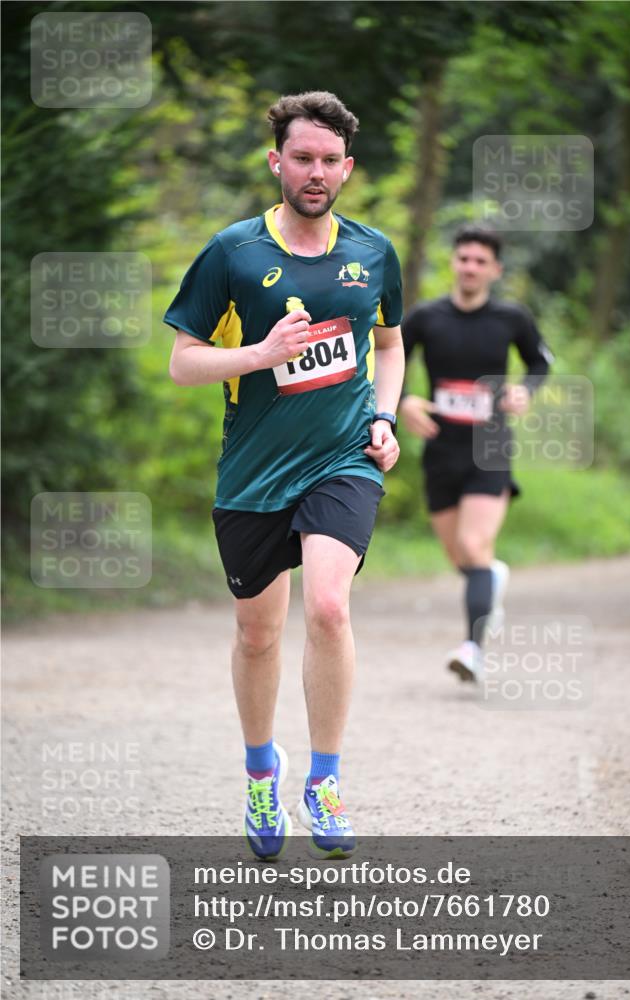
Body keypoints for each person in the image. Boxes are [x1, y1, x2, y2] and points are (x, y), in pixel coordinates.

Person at [164, 91, 404, 859]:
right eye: (301, 157)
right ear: (276, 161)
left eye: (330, 161)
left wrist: (384, 417)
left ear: (348, 169)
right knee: (258, 635)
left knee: (329, 608)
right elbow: (182, 363)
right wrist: (259, 357)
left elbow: (390, 346)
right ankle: (262, 769)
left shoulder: (372, 254)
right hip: (253, 472)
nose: (315, 172)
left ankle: (324, 782)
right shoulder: (233, 252)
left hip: (342, 461)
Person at [399, 225, 551, 683]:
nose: (470, 266)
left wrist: (525, 391)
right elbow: (389, 361)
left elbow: (540, 362)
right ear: (453, 262)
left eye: (480, 261)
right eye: (464, 258)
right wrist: (403, 399)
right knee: (462, 558)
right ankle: (491, 579)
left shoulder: (511, 319)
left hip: (490, 447)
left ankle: (473, 649)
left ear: (495, 270)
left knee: (473, 545)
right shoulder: (425, 317)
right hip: (440, 450)